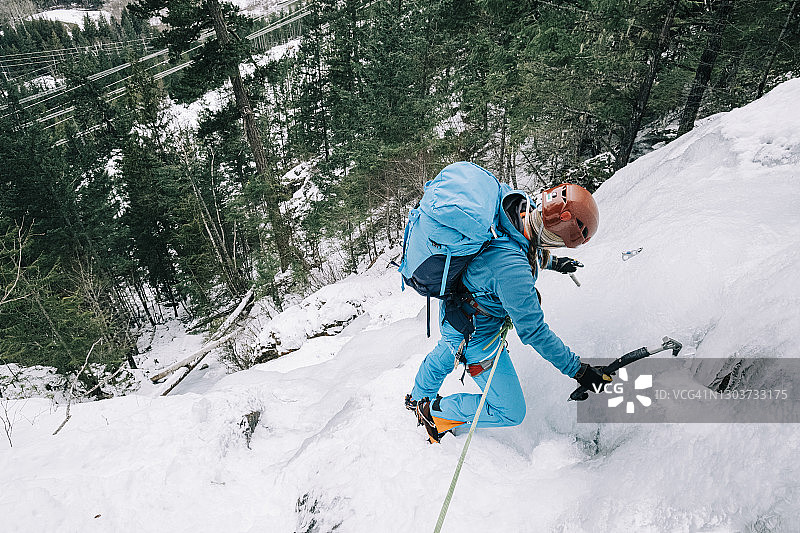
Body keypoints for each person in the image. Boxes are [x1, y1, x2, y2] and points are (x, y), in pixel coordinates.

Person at [405, 182, 612, 443]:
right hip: (476, 333)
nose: (557, 247)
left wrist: (555, 263)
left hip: (458, 312)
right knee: (510, 411)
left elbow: (527, 247)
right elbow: (535, 332)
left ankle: (417, 396)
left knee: (447, 351)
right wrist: (578, 370)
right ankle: (433, 412)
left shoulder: (519, 210)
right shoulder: (511, 269)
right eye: (560, 243)